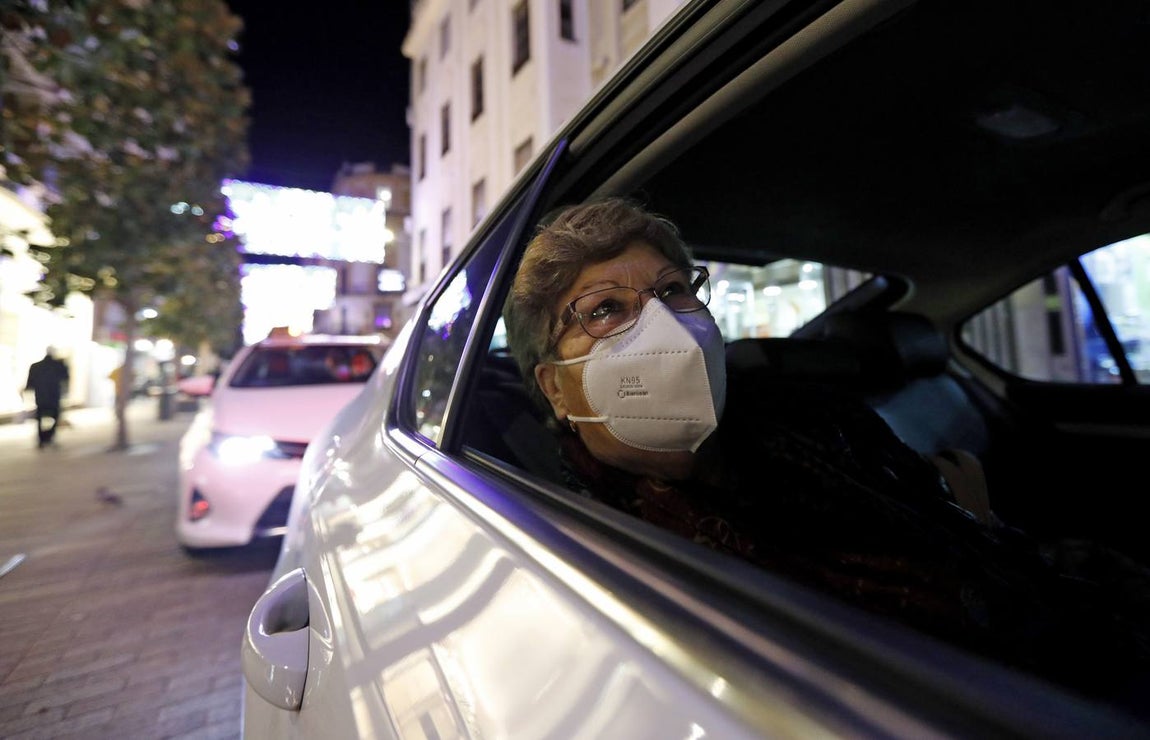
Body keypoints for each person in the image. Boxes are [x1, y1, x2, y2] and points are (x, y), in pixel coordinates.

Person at [504, 197, 1150, 708]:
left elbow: (932, 523)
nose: (665, 324)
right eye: (606, 309)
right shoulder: (581, 526)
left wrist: (970, 519)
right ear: (557, 386)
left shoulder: (805, 414)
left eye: (674, 290)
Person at [25, 347, 70, 448]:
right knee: (55, 416)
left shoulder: (36, 366)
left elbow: (30, 383)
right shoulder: (59, 365)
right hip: (54, 396)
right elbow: (66, 378)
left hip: (40, 396)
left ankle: (42, 439)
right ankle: (48, 436)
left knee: (40, 417)